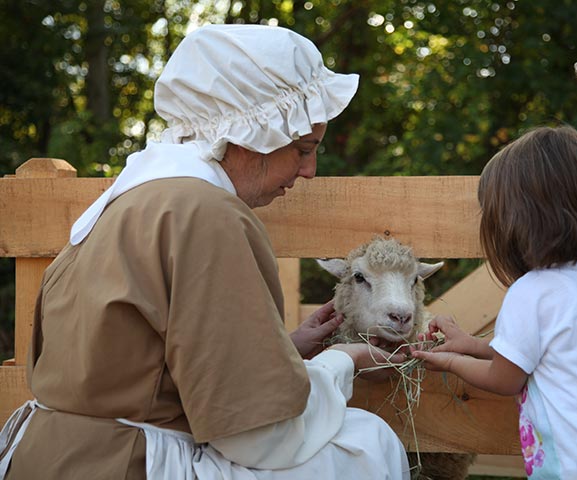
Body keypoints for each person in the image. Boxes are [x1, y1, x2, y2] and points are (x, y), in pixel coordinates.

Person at [0, 24, 410, 480]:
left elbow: (143, 364)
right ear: (252, 132)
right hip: (128, 464)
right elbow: (259, 435)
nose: (310, 170)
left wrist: (280, 352)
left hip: (46, 457)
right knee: (365, 442)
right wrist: (343, 361)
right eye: (303, 148)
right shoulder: (208, 212)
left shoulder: (127, 200)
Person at [412, 126, 577, 479]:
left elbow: (505, 379)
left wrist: (451, 362)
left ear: (517, 220)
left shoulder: (532, 291)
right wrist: (474, 346)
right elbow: (558, 354)